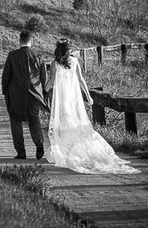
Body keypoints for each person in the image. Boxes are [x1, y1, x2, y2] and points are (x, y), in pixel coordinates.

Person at [45, 39, 140, 174]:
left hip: (63, 99)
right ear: (68, 51)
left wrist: (42, 90)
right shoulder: (75, 61)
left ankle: (69, 151)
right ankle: (73, 149)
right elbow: (81, 80)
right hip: (73, 99)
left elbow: (51, 81)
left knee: (65, 125)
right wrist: (88, 96)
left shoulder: (54, 63)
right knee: (73, 124)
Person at [2, 30, 48, 160]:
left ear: (20, 40)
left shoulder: (12, 55)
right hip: (34, 94)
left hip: (16, 94)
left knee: (15, 121)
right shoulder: (38, 55)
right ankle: (39, 145)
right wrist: (44, 93)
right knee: (34, 120)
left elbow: (6, 75)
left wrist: (5, 91)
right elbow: (43, 77)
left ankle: (21, 153)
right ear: (31, 41)